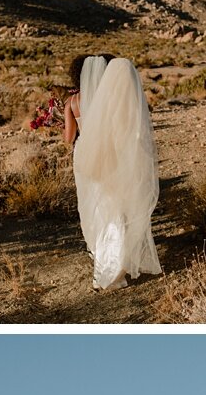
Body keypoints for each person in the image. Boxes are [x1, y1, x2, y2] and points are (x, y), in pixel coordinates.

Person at [68, 55, 163, 293]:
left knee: (94, 208)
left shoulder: (72, 102)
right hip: (110, 157)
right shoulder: (109, 98)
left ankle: (105, 265)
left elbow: (68, 138)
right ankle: (112, 266)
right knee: (112, 209)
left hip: (85, 157)